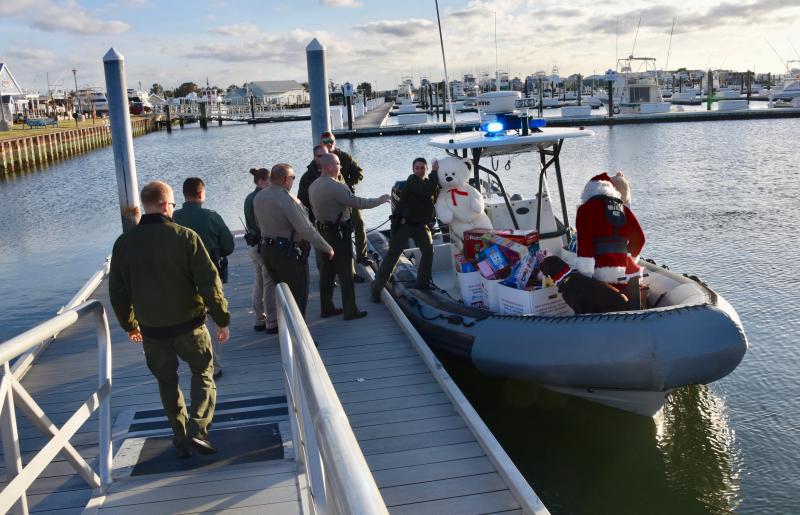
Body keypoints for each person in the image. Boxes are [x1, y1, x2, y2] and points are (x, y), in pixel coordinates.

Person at [109, 181, 230, 459]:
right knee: (203, 373)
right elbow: (209, 284)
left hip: (152, 331)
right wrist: (221, 319)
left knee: (167, 382)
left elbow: (117, 291)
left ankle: (180, 437)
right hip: (189, 326)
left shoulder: (124, 244)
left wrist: (129, 324)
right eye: (172, 205)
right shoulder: (185, 237)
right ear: (165, 205)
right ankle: (198, 430)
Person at [309, 153, 391, 320]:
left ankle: (326, 307)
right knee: (346, 272)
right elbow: (357, 203)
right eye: (338, 164)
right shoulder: (337, 186)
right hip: (338, 235)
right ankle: (350, 310)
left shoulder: (313, 185)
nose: (340, 167)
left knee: (327, 272)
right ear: (329, 167)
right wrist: (379, 200)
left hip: (322, 233)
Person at [173, 177, 234, 379]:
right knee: (210, 317)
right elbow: (229, 246)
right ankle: (213, 366)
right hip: (208, 275)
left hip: (180, 278)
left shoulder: (172, 218)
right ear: (201, 194)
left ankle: (193, 361)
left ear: (184, 194)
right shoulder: (211, 217)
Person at [253, 163, 333, 315]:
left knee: (282, 296)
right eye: (293, 177)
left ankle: (284, 328)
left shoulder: (259, 197)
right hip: (287, 253)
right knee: (297, 297)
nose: (293, 181)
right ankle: (298, 331)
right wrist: (326, 247)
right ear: (285, 179)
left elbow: (258, 224)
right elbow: (306, 229)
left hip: (267, 250)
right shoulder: (287, 199)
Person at [371, 157, 439, 303]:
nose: (420, 170)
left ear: (426, 169)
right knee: (393, 255)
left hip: (420, 225)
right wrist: (434, 172)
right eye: (417, 168)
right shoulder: (412, 181)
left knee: (428, 251)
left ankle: (423, 284)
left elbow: (435, 194)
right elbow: (426, 191)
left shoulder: (430, 183)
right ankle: (376, 288)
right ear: (413, 170)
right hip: (404, 225)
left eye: (422, 167)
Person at [575, 172, 645, 293]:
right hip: (625, 272)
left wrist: (586, 274)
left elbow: (585, 244)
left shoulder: (585, 209)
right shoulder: (624, 209)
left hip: (600, 272)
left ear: (588, 191)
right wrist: (629, 259)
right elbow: (640, 239)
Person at [315, 131, 369, 266]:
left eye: (331, 141)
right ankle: (332, 261)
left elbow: (359, 173)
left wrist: (347, 185)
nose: (329, 144)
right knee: (332, 228)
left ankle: (362, 255)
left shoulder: (345, 157)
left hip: (348, 195)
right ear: (321, 143)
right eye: (326, 142)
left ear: (335, 142)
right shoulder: (319, 159)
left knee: (359, 222)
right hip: (329, 200)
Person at [243, 167, 277, 334]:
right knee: (269, 283)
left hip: (252, 245)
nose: (272, 183)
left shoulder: (249, 197)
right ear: (262, 181)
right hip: (262, 245)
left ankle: (258, 319)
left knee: (259, 282)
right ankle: (272, 321)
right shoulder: (262, 197)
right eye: (270, 180)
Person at [297, 145, 330, 273]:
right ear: (314, 157)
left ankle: (349, 273)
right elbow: (302, 201)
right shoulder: (307, 178)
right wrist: (309, 222)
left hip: (335, 219)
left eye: (326, 155)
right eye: (320, 156)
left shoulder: (334, 170)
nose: (323, 158)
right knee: (321, 251)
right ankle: (325, 276)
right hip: (316, 221)